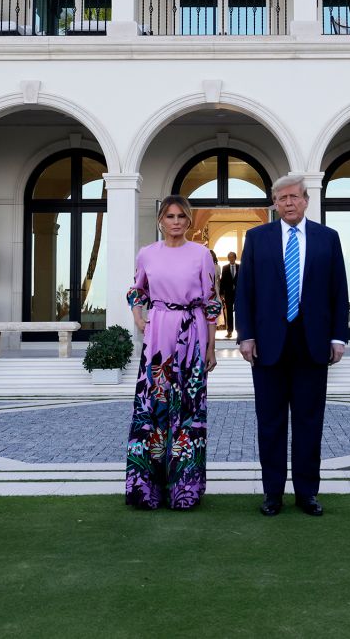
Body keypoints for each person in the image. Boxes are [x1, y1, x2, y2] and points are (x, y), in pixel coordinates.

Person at [236, 175, 348, 517]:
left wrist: (337, 337)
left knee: (308, 422)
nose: (288, 203)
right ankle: (272, 494)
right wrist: (246, 336)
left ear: (306, 200)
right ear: (274, 202)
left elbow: (339, 291)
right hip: (268, 346)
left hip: (312, 345)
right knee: (269, 424)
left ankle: (307, 494)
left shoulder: (328, 239)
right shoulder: (257, 239)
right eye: (281, 198)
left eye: (294, 197)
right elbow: (245, 292)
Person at [124, 195, 221, 510]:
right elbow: (137, 290)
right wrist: (139, 317)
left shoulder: (202, 255)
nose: (176, 222)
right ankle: (145, 489)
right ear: (160, 221)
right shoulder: (147, 254)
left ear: (189, 221)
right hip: (158, 334)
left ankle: (185, 490)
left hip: (191, 333)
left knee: (189, 411)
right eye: (170, 216)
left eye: (181, 216)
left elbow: (212, 303)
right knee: (152, 409)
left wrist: (211, 346)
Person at [219, 250, 239, 339]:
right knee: (229, 312)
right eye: (229, 257)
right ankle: (229, 331)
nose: (231, 258)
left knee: (239, 312)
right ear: (228, 258)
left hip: (238, 294)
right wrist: (221, 292)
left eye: (232, 257)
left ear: (235, 258)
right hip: (228, 293)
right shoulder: (225, 268)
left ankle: (240, 332)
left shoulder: (240, 267)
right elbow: (222, 281)